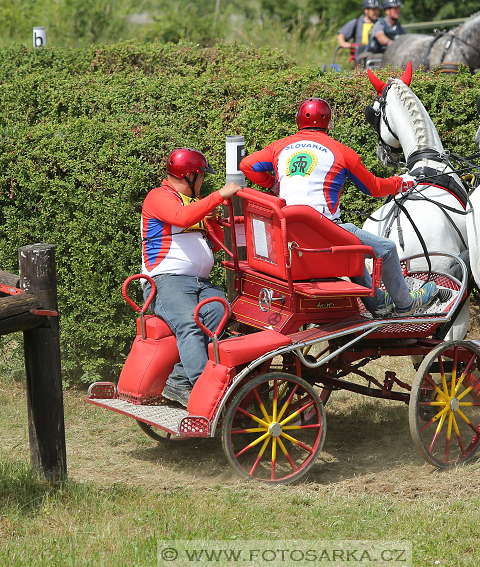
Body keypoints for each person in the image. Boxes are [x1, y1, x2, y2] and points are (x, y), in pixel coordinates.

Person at [239, 98, 438, 318]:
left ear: (298, 120)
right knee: (386, 248)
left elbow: (246, 165)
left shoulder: (279, 147)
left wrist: (272, 184)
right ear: (329, 122)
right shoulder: (341, 152)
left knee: (351, 234)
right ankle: (405, 303)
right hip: (326, 235)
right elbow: (374, 187)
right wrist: (400, 183)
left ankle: (378, 303)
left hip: (287, 237)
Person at [140, 148, 242, 406]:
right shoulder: (159, 196)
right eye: (201, 176)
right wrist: (218, 196)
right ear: (189, 176)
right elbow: (181, 217)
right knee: (189, 324)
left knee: (221, 314)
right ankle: (203, 389)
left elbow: (216, 245)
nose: (204, 181)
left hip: (199, 284)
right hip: (165, 281)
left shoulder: (191, 202)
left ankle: (179, 380)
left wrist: (212, 221)